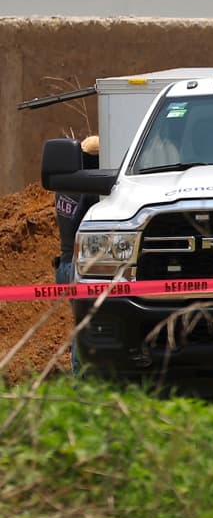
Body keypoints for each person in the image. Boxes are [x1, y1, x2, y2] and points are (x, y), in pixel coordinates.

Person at [53, 135, 100, 374]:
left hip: (64, 262)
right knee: (88, 327)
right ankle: (81, 377)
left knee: (80, 323)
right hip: (77, 266)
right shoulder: (90, 189)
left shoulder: (63, 186)